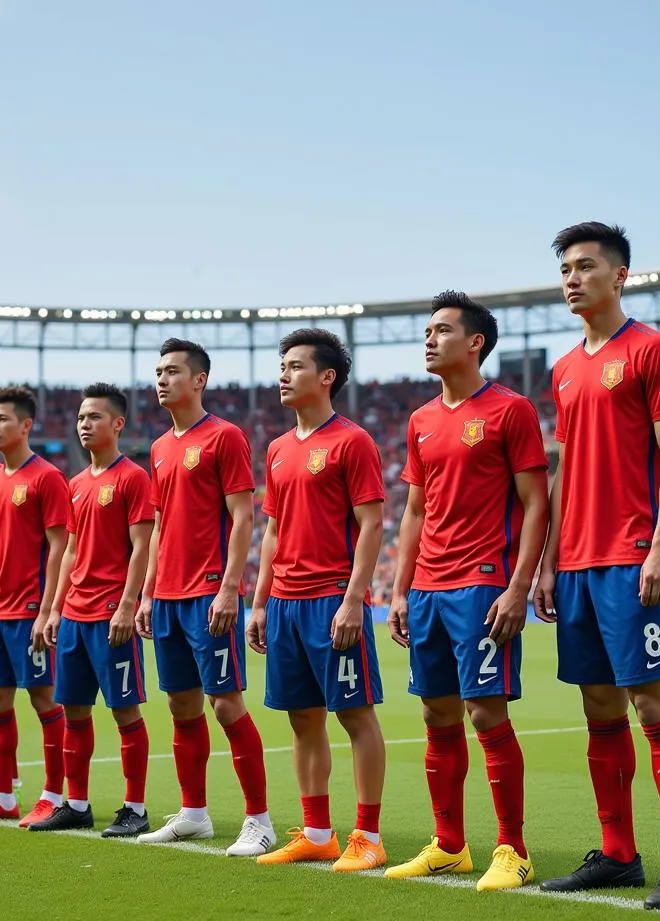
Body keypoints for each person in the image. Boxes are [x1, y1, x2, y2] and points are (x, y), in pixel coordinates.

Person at [534, 222, 660, 909]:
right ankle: (617, 853)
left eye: (584, 267)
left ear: (620, 275)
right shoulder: (565, 368)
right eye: (565, 269)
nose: (572, 278)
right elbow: (566, 469)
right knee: (598, 706)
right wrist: (546, 562)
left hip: (631, 556)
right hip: (574, 562)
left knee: (651, 701)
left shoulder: (653, 350)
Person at [383, 292, 549, 890]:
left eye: (442, 330)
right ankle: (449, 844)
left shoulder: (510, 410)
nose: (429, 339)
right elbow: (414, 513)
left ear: (474, 341)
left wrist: (518, 586)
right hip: (428, 587)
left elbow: (536, 505)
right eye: (427, 330)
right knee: (436, 713)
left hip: (482, 585)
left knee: (485, 711)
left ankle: (513, 848)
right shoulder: (421, 421)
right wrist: (399, 589)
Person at [247, 328, 388, 872]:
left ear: (326, 377)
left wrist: (354, 600)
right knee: (301, 721)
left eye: (295, 366)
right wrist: (260, 602)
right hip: (284, 603)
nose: (283, 374)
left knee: (355, 716)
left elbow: (372, 524)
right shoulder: (279, 450)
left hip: (332, 599)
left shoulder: (352, 441)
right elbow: (273, 533)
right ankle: (316, 832)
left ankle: (368, 836)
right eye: (282, 365)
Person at [135, 338, 275, 856]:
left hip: (207, 593)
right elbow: (159, 525)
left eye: (172, 371)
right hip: (167, 594)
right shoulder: (157, 447)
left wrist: (229, 589)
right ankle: (194, 813)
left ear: (199, 380)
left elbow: (244, 517)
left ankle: (259, 821)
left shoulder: (225, 437)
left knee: (225, 704)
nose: (162, 379)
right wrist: (148, 594)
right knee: (180, 706)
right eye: (158, 371)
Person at [33, 384, 154, 836]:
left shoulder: (132, 478)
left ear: (117, 424)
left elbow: (142, 546)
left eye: (95, 418)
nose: (85, 425)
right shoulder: (76, 484)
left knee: (125, 713)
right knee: (75, 710)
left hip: (110, 616)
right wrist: (53, 610)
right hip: (74, 617)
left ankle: (135, 808)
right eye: (81, 418)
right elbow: (69, 551)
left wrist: (128, 603)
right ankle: (77, 804)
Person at [0, 387, 69, 827]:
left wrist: (47, 609)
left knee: (45, 701)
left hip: (29, 612)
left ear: (26, 425)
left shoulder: (47, 478)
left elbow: (60, 547)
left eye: (3, 419)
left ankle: (54, 795)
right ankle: (1, 795)